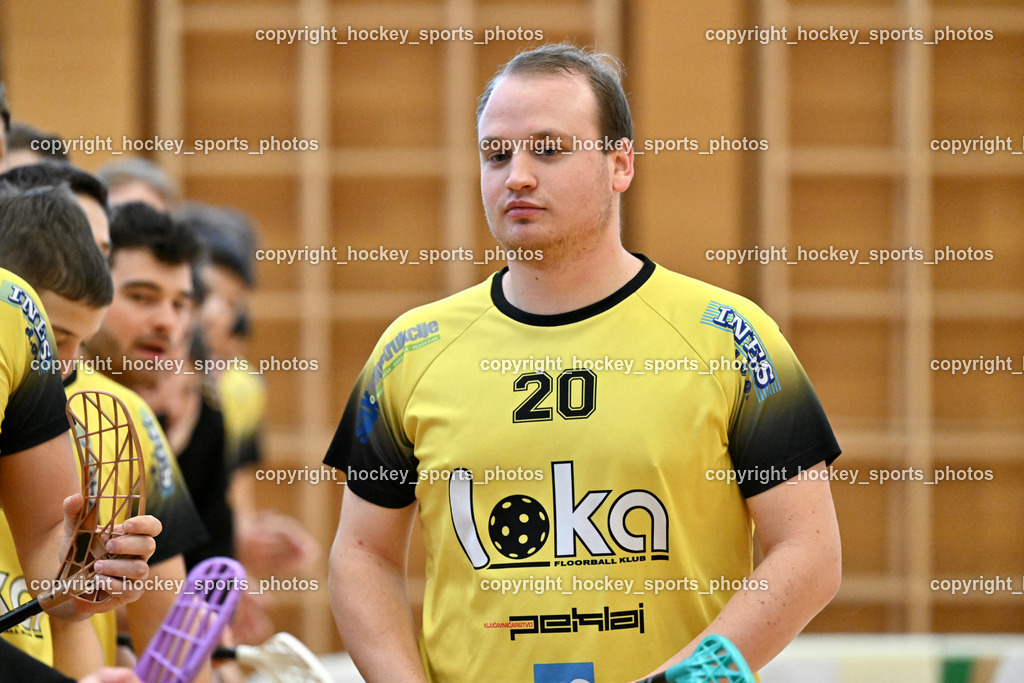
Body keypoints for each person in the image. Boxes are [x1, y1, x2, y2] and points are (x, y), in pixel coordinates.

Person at [326, 43, 842, 682]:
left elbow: (808, 553)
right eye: (496, 154)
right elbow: (362, 552)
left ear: (620, 164)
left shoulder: (728, 337)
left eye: (548, 150)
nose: (517, 176)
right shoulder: (411, 350)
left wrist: (679, 681)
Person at [0, 183, 210, 675]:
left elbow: (71, 604)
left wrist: (85, 572)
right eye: (142, 296)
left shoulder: (123, 412)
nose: (66, 361)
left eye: (181, 304)